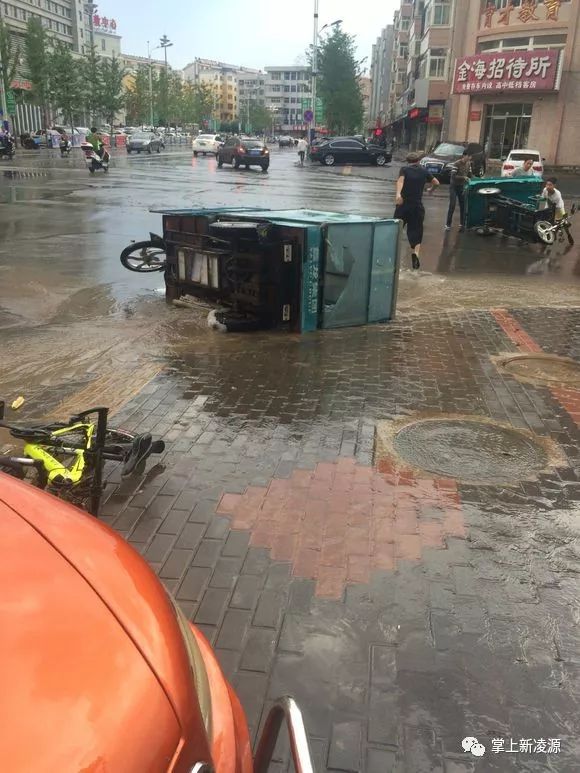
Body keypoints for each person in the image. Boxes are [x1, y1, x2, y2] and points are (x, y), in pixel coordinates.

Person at [394, 151, 440, 270]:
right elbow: (436, 182)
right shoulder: (423, 170)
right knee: (417, 231)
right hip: (417, 206)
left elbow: (400, 181)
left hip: (403, 206)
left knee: (396, 230)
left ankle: (393, 255)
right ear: (418, 161)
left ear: (408, 161)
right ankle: (416, 254)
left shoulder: (404, 169)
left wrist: (398, 194)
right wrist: (431, 189)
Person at [445, 150, 472, 231]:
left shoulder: (468, 164)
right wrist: (463, 177)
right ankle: (448, 224)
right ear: (464, 156)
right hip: (454, 186)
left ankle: (462, 223)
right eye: (469, 156)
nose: (470, 158)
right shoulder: (457, 163)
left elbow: (470, 175)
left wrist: (477, 178)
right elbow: (453, 176)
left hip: (461, 186)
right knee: (452, 204)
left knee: (463, 204)